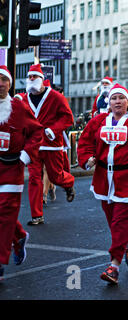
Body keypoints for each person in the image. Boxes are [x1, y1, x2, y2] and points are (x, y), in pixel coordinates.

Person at [77, 83, 128, 284]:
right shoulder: (98, 122)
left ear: (127, 102)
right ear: (109, 102)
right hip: (104, 180)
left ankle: (113, 266)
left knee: (120, 223)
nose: (117, 102)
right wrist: (88, 157)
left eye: (121, 98)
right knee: (114, 223)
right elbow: (85, 142)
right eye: (113, 98)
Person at [0, 65, 43, 281]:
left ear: (9, 83)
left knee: (5, 212)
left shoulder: (18, 108)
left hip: (12, 167)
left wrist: (27, 154)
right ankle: (18, 237)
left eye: (4, 80)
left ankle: (0, 260)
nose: (0, 83)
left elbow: (37, 131)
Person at [23, 64, 75, 225]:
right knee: (34, 178)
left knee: (55, 176)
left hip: (52, 145)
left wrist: (53, 130)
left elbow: (68, 119)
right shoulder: (23, 99)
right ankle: (37, 215)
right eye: (29, 77)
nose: (31, 79)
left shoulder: (56, 97)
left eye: (34, 77)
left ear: (42, 79)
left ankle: (68, 183)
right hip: (33, 147)